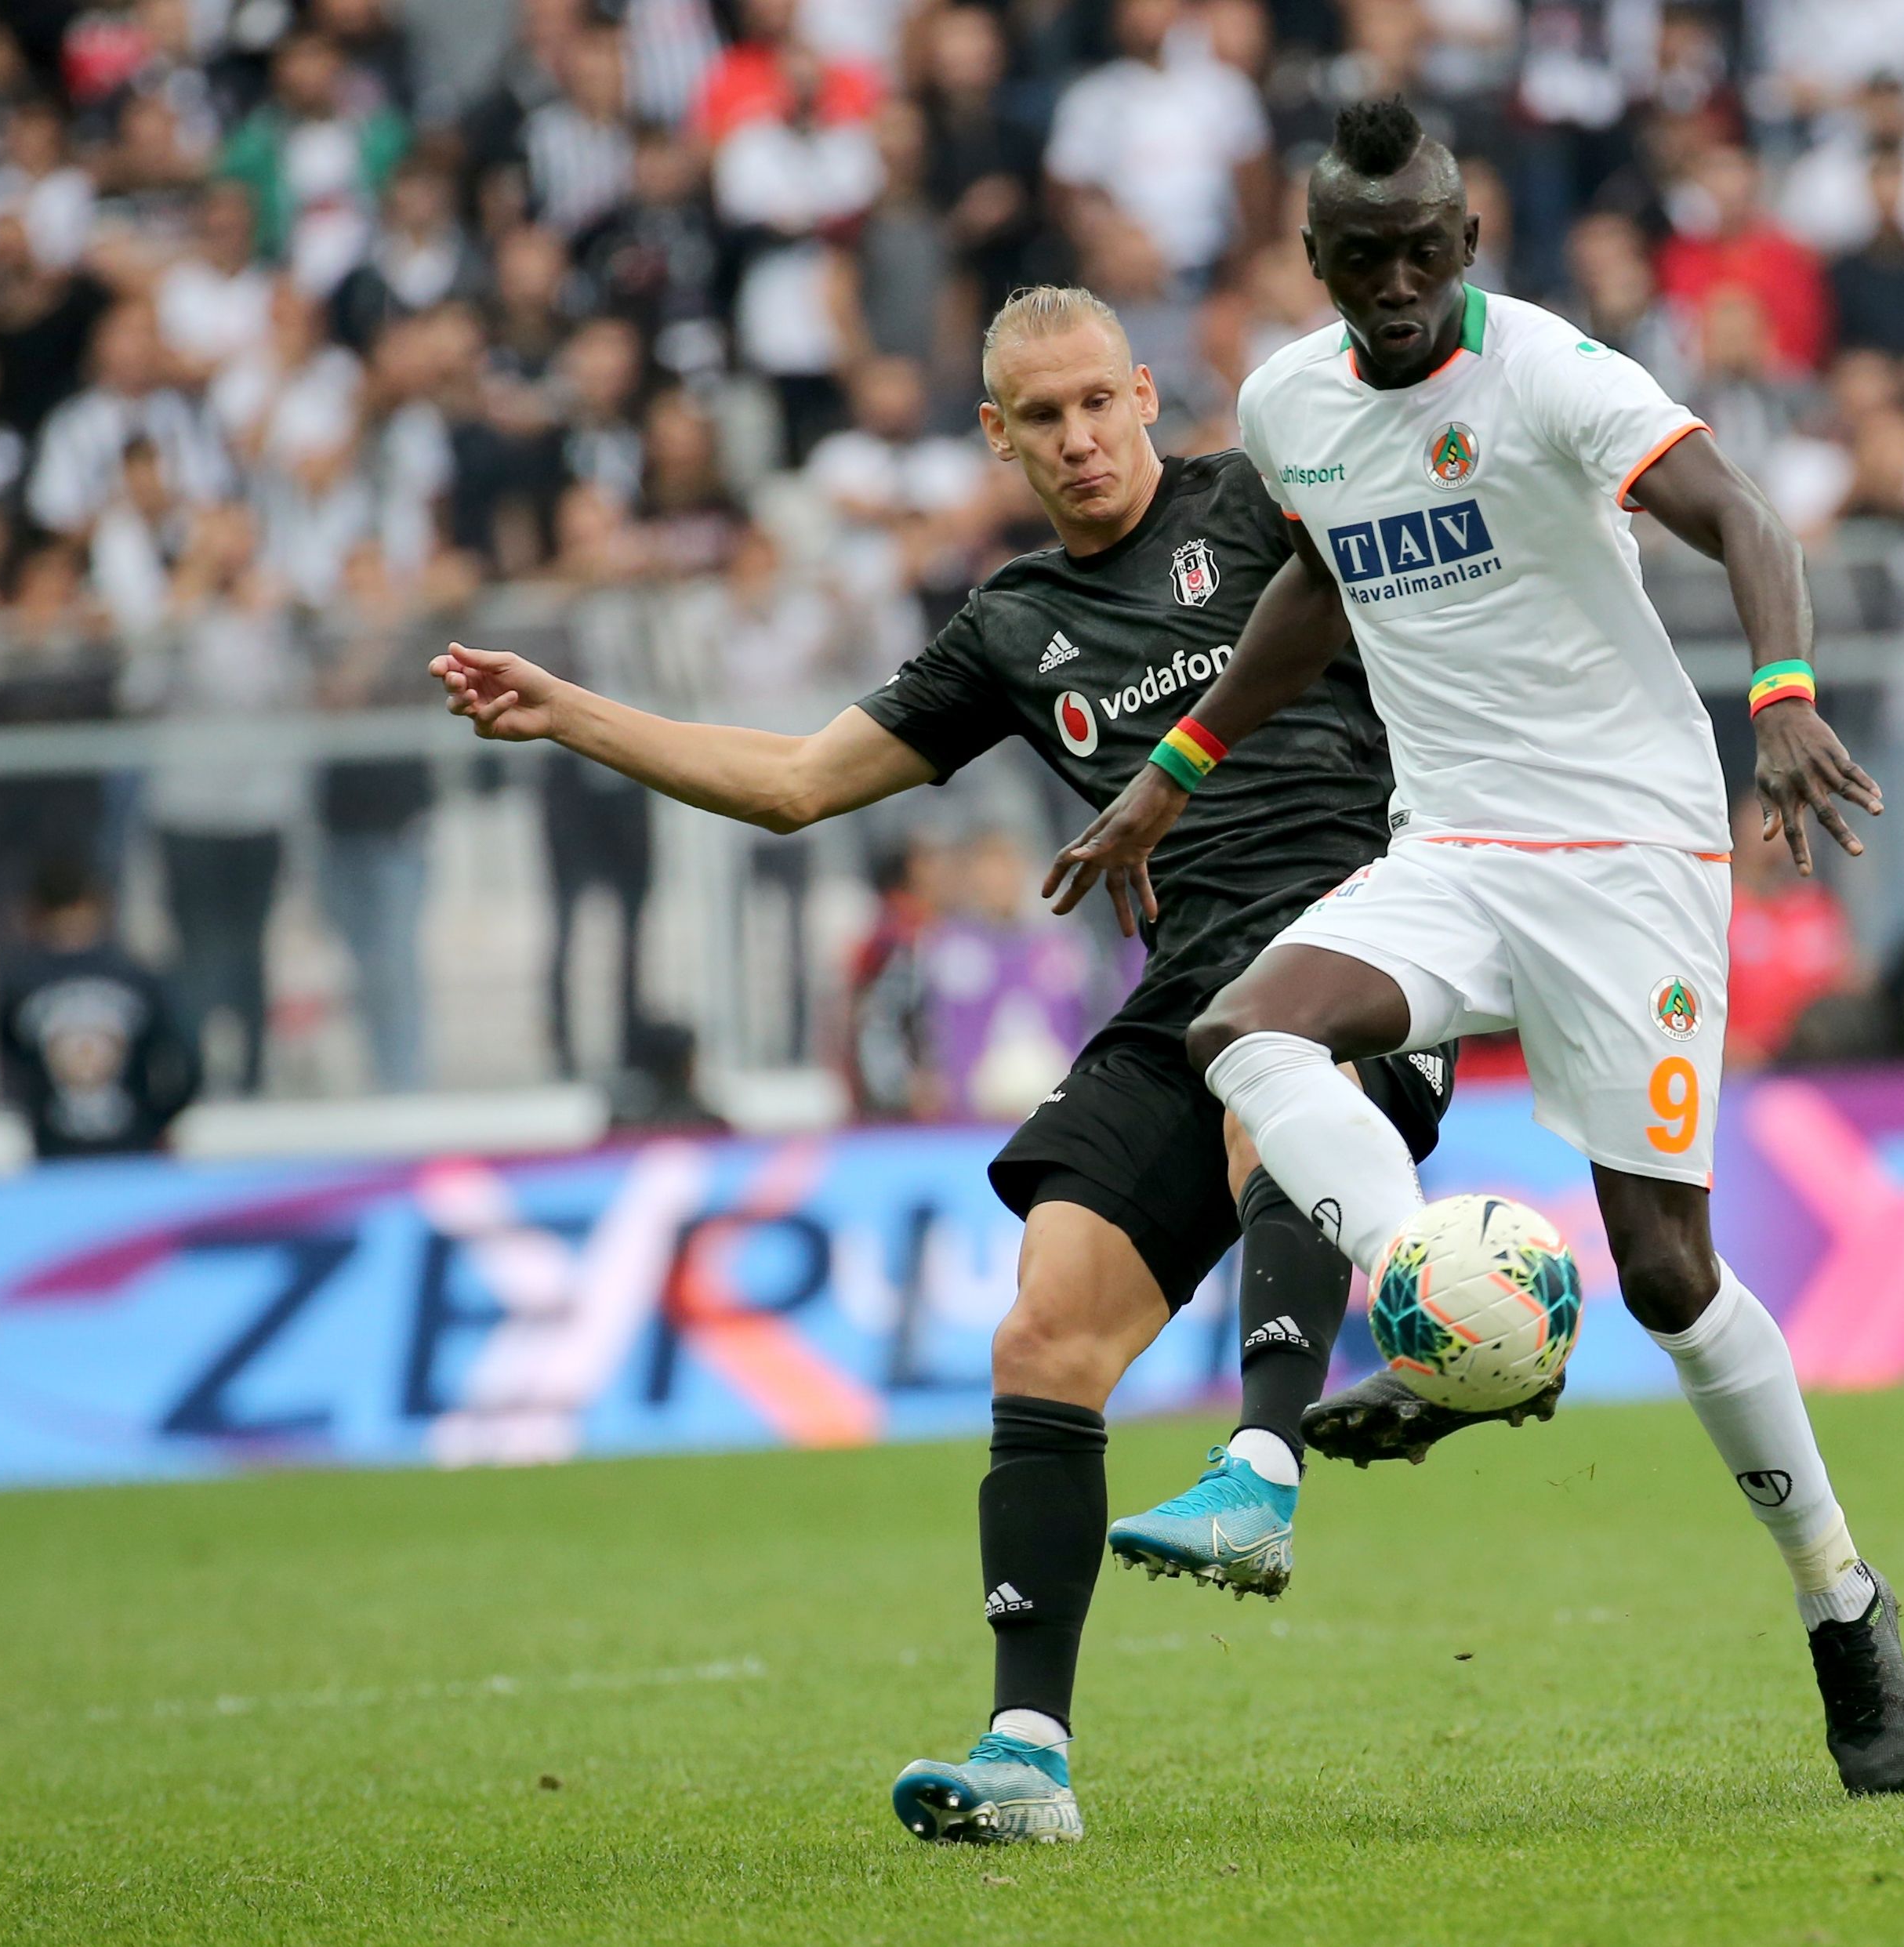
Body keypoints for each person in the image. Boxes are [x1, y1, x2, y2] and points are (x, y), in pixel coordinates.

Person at [432, 284, 1460, 1847]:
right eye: (1038, 418)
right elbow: (793, 785)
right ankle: (1026, 1757)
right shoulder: (1013, 624)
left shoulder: (1260, 503)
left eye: (1097, 403)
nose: (1075, 439)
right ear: (998, 438)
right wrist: (569, 713)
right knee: (1043, 1335)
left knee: (1274, 1079)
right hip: (1179, 988)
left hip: (1364, 943)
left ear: (1144, 398)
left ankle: (1261, 1461)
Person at [1050, 99, 1904, 1800]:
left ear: (1470, 245)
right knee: (1248, 1034)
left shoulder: (1550, 377)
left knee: (1668, 1274)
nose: (1396, 283)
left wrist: (1785, 698)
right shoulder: (1296, 400)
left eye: (1425, 252)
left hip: (1629, 855)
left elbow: (1747, 516)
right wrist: (1171, 778)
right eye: (1361, 258)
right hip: (1450, 845)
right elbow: (1314, 586)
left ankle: (1838, 1595)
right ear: (1317, 264)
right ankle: (1427, 1295)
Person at [0, 854, 201, 1160]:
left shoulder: (19, 984)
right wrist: (158, 1119)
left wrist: (36, 1114)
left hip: (54, 1155)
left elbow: (9, 1065)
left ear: (35, 912)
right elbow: (187, 1057)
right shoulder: (136, 977)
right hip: (135, 1150)